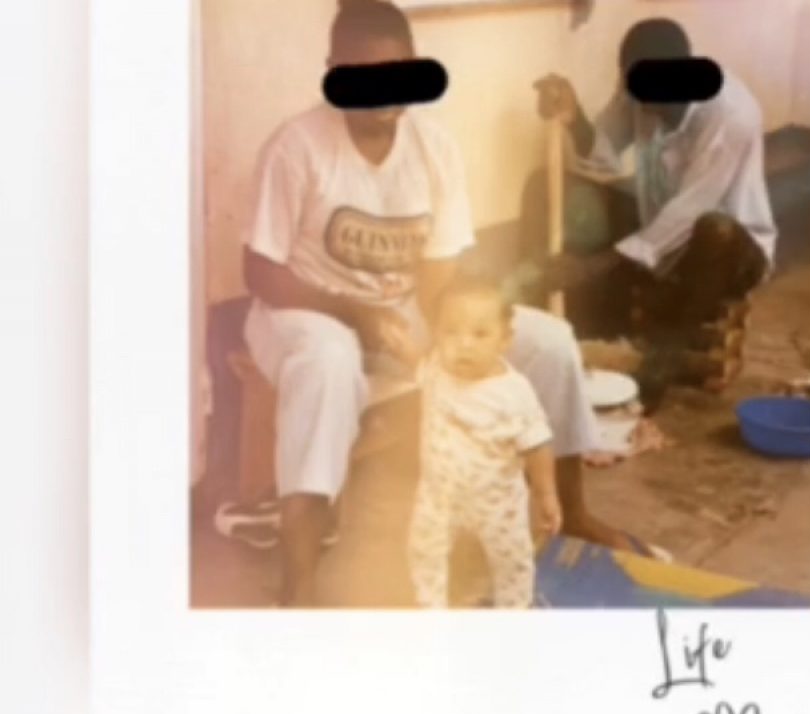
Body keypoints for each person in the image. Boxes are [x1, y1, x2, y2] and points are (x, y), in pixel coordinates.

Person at [241, 1, 650, 607]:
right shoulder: (297, 147)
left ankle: (574, 512)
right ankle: (298, 582)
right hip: (304, 312)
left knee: (549, 341)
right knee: (327, 364)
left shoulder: (433, 146)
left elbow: (441, 266)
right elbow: (259, 272)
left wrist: (447, 327)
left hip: (398, 310)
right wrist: (354, 314)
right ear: (332, 72)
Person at [527, 18, 777, 398]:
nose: (642, 106)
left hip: (729, 250)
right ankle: (575, 331)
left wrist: (593, 265)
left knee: (715, 229)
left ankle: (660, 359)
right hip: (659, 234)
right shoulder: (637, 88)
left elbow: (690, 212)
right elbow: (605, 154)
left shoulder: (731, 114)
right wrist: (575, 119)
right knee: (554, 185)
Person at [409, 281, 561, 608]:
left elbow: (538, 444)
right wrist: (397, 343)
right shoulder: (435, 368)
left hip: (496, 501)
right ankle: (430, 607)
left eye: (480, 334)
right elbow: (414, 362)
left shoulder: (513, 392)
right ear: (436, 334)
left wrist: (545, 493)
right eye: (451, 332)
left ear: (504, 340)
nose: (464, 344)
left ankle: (512, 611)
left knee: (512, 561)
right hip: (438, 495)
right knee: (424, 550)